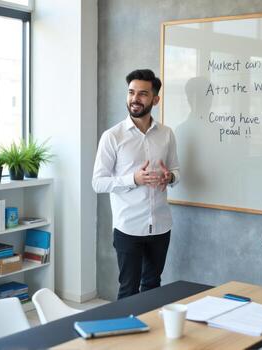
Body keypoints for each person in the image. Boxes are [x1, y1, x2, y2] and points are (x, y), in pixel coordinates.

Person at [92, 69, 180, 299]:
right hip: (128, 226)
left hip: (160, 225)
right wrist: (134, 179)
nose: (135, 99)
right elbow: (98, 183)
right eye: (131, 93)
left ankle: (150, 335)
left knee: (152, 287)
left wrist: (169, 177)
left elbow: (176, 170)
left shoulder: (167, 134)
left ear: (155, 99)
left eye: (142, 94)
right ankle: (125, 335)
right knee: (128, 290)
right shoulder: (112, 136)